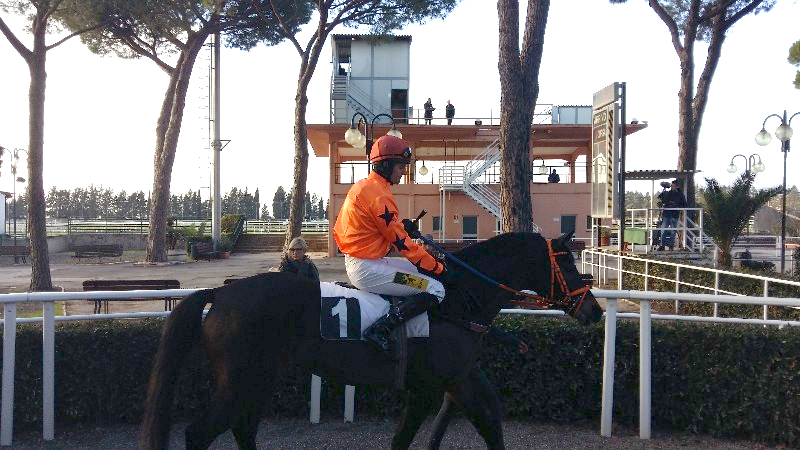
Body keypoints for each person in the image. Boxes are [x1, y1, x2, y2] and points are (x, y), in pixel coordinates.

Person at [334, 135, 447, 352]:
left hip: (368, 262)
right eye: (400, 166)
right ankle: (381, 329)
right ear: (386, 165)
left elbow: (383, 230)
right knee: (435, 289)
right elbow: (402, 244)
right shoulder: (379, 196)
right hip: (368, 268)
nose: (403, 171)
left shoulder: (366, 187)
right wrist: (437, 267)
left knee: (423, 272)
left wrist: (403, 228)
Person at [657, 179, 687, 251]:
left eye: (673, 186)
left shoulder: (680, 195)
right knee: (663, 230)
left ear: (677, 187)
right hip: (666, 215)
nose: (672, 187)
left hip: (674, 215)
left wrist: (677, 207)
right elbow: (660, 198)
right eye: (671, 186)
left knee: (673, 231)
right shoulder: (668, 193)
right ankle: (662, 245)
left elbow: (684, 205)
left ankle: (671, 246)